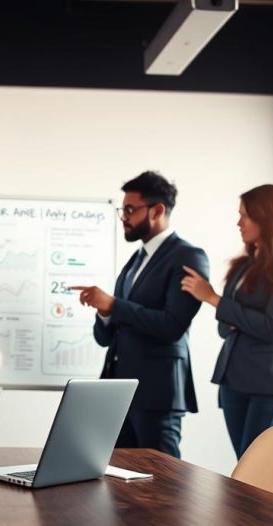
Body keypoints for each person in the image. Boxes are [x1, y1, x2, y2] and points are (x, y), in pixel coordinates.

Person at [180, 184, 273, 459]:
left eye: (245, 215)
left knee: (259, 473)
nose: (239, 222)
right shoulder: (242, 265)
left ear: (268, 217)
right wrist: (238, 317)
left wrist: (214, 299)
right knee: (245, 470)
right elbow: (225, 327)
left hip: (272, 383)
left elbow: (272, 328)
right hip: (234, 380)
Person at [71, 171, 209, 458]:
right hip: (119, 393)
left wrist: (115, 305)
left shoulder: (188, 256)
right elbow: (107, 336)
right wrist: (105, 313)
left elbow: (173, 325)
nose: (124, 217)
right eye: (123, 210)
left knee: (163, 485)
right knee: (120, 483)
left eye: (131, 210)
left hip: (157, 393)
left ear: (157, 210)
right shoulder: (136, 260)